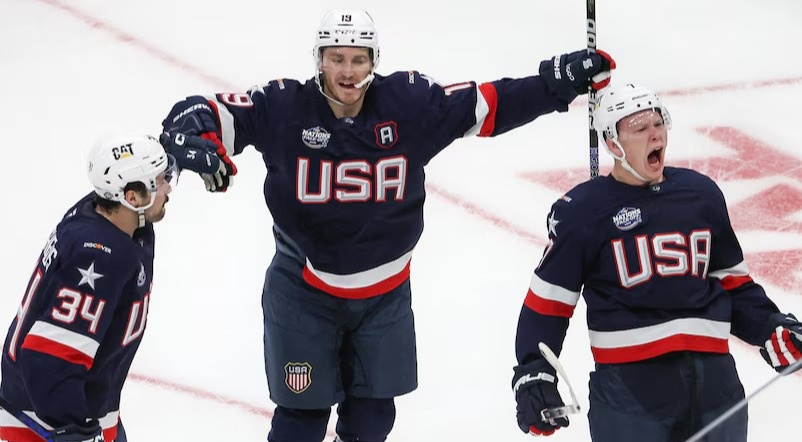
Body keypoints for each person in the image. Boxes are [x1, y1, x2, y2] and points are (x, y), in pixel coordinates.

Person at [158, 9, 615, 442]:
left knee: (374, 418)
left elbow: (488, 104)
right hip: (303, 292)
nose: (348, 70)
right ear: (318, 59)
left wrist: (557, 83)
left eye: (359, 59)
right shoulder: (285, 107)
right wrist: (188, 131)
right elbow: (209, 112)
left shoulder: (409, 105)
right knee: (301, 418)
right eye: (336, 58)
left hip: (384, 295)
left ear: (375, 61)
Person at [511, 83, 802, 441]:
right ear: (613, 143)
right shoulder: (583, 213)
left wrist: (770, 327)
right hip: (631, 392)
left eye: (657, 124)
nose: (654, 135)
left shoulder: (701, 194)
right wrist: (534, 373)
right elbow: (547, 304)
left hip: (715, 384)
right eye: (639, 128)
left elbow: (734, 286)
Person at [0, 134, 180, 442]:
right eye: (160, 181)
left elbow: (133, 178)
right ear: (132, 197)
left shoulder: (106, 211)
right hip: (44, 425)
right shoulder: (99, 255)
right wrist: (76, 431)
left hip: (88, 408)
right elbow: (49, 360)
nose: (168, 187)